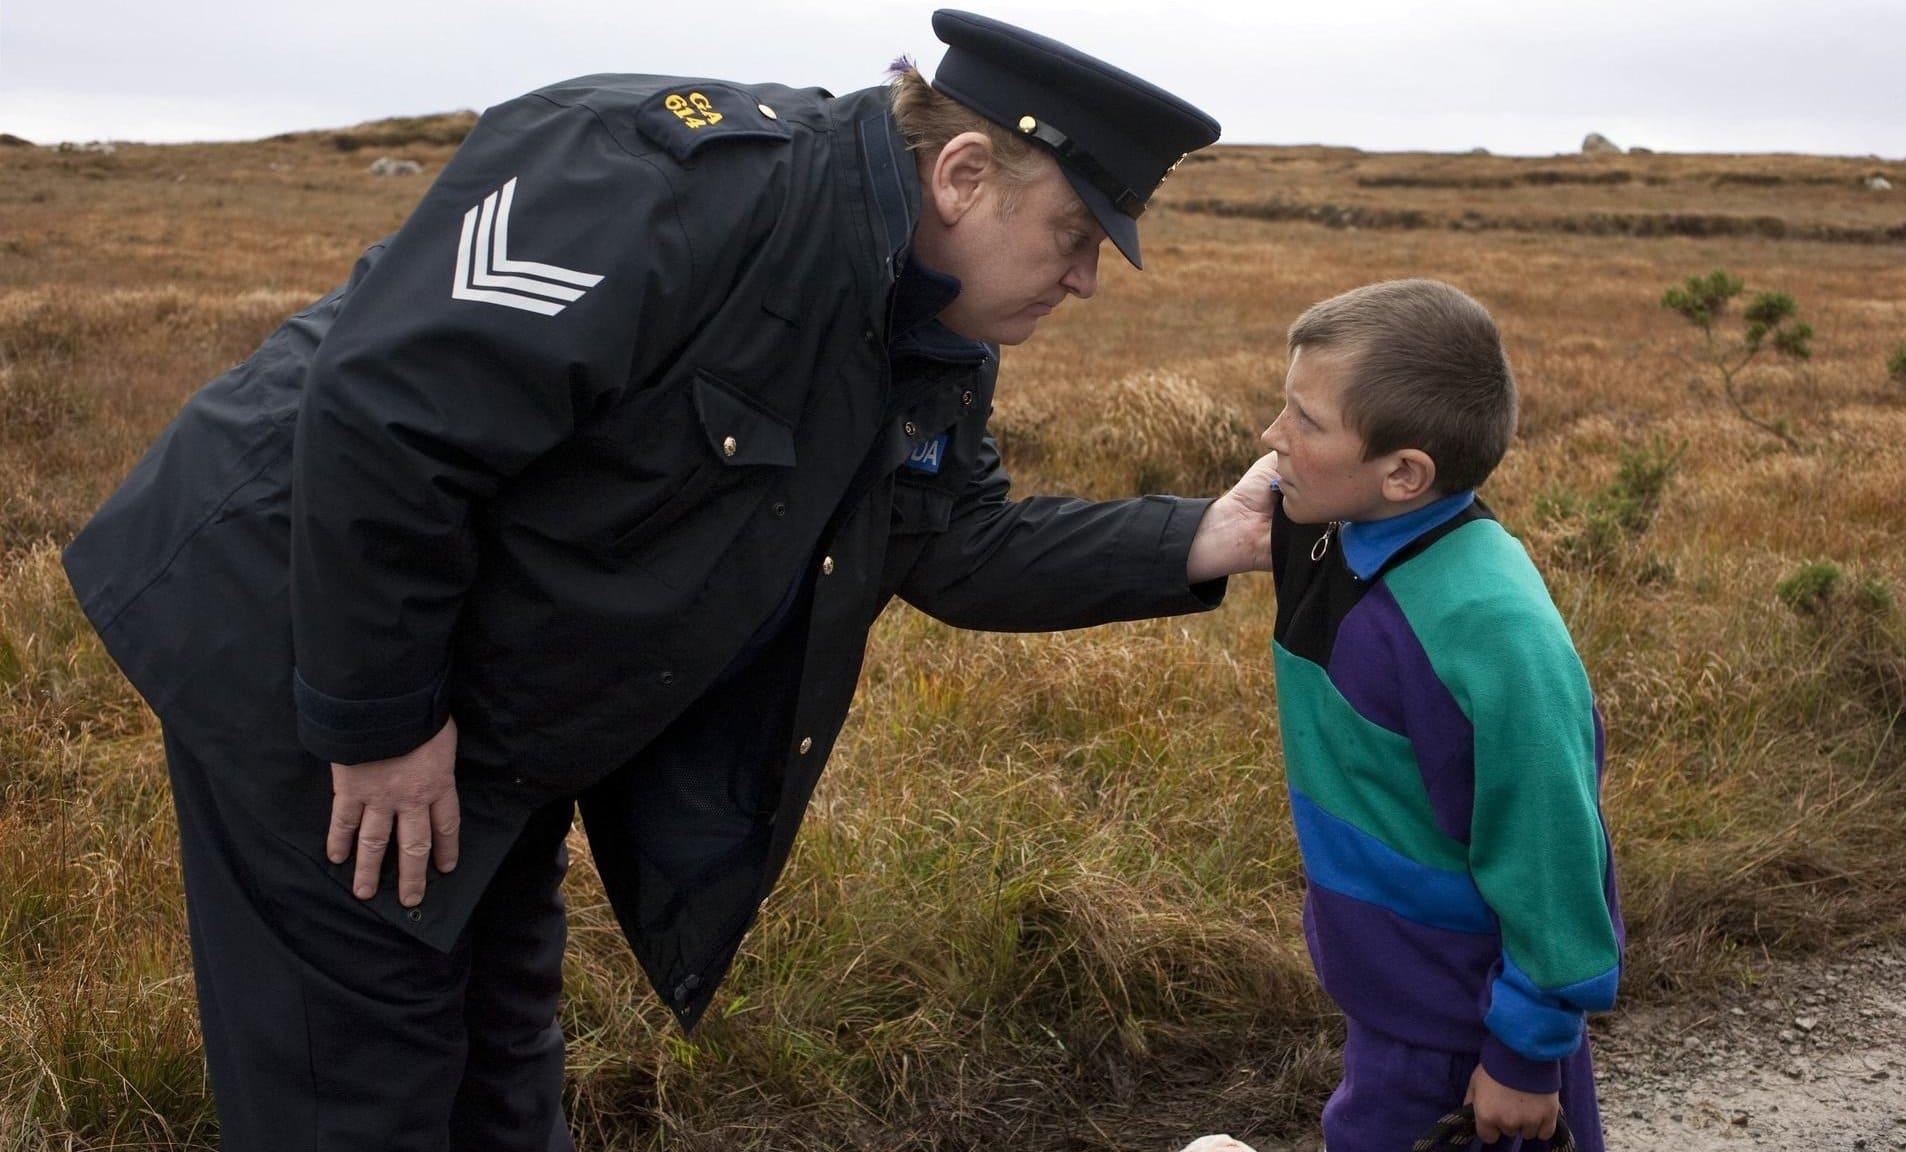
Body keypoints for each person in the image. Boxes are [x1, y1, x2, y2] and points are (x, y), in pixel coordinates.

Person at [61, 10, 1276, 1149]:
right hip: (305, 643)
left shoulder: (924, 326)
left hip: (496, 711)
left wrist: (1203, 535)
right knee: (356, 1084)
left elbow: (949, 540)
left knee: (499, 1058)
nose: (1083, 281)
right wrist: (375, 725)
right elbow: (389, 421)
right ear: (962, 175)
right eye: (1074, 238)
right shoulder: (653, 182)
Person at [1260, 280, 1622, 1151]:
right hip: (1396, 994)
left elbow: (1552, 839)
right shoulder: (1342, 529)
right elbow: (1278, 498)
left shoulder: (1490, 628)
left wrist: (1527, 1051)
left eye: (1303, 422)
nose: (1272, 437)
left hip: (1463, 1030)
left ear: (1404, 472)